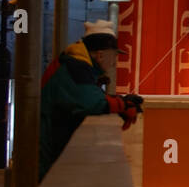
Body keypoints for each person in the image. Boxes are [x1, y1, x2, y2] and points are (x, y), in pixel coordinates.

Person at [39, 19, 142, 178]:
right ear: (101, 55)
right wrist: (123, 104)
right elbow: (92, 104)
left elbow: (87, 100)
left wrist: (118, 104)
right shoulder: (76, 68)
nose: (114, 63)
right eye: (113, 56)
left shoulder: (75, 65)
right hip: (49, 155)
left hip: (53, 152)